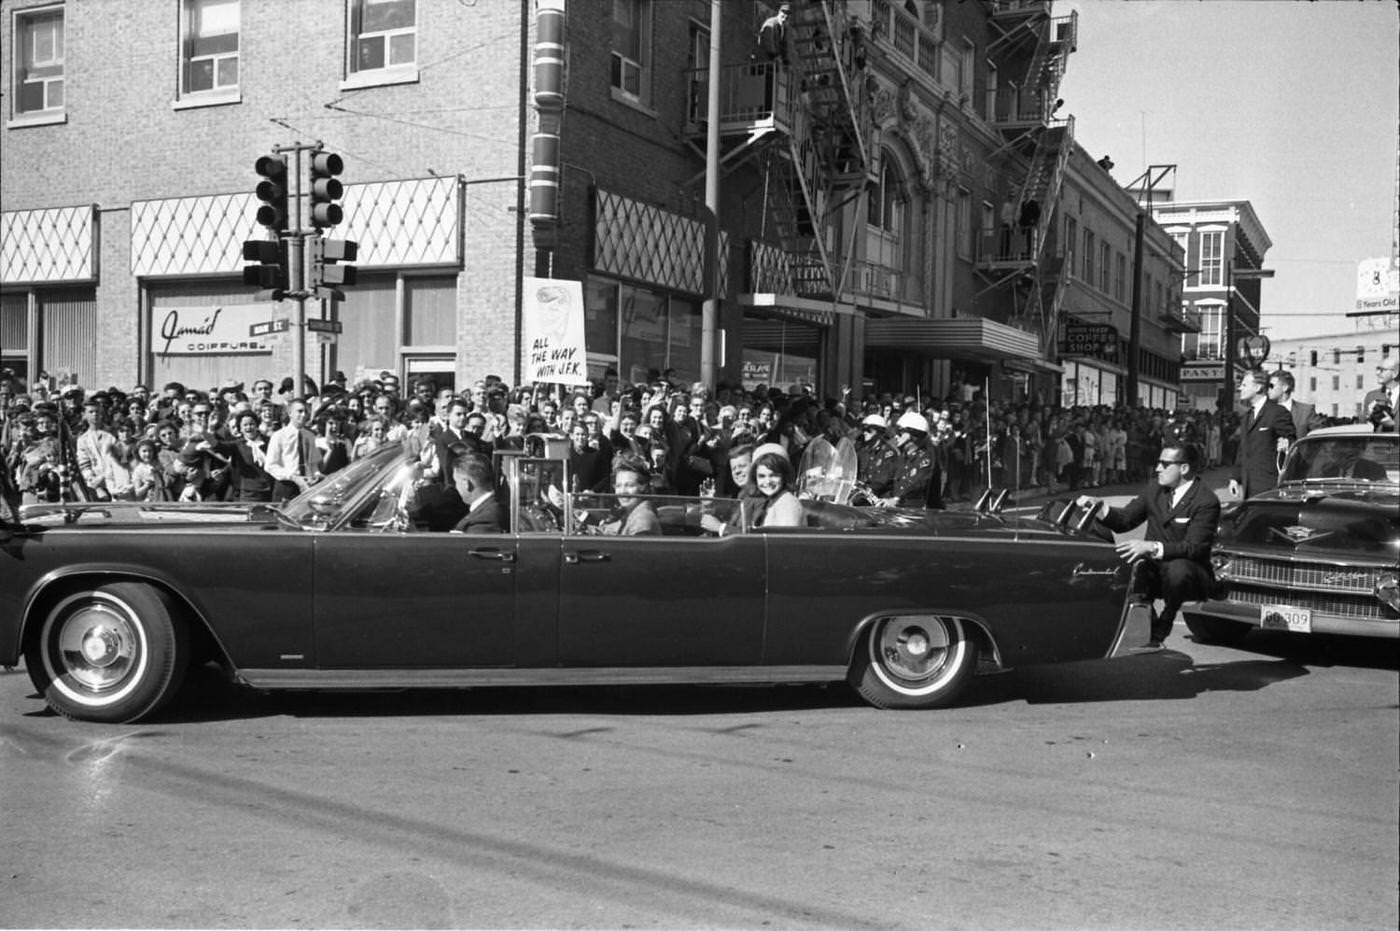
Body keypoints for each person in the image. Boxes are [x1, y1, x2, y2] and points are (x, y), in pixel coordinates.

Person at [1077, 442, 1220, 650]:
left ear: (1184, 468)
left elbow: (1195, 548)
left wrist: (1151, 547)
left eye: (1164, 463)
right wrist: (1100, 508)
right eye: (1158, 463)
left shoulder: (1206, 500)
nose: (1157, 468)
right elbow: (1125, 520)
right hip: (1154, 566)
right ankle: (1144, 625)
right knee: (1127, 564)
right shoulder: (1154, 489)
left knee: (1177, 570)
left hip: (1189, 571)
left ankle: (1167, 618)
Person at [1229, 369, 1295, 500]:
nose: (1240, 388)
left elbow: (1292, 444)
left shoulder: (1277, 412)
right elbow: (1242, 451)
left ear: (1258, 387)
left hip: (1270, 487)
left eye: (1244, 385)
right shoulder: (1246, 417)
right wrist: (1235, 478)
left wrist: (1287, 444)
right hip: (1249, 487)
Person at [264, 399, 322, 503]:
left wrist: (316, 476)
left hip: (307, 486)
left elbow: (313, 463)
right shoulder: (279, 436)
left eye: (306, 412)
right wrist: (293, 477)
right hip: (286, 486)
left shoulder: (310, 436)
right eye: (299, 411)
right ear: (290, 413)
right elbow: (270, 466)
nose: (304, 415)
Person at [600, 457, 661, 536]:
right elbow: (612, 529)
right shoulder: (630, 512)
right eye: (618, 486)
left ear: (643, 487)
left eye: (629, 485)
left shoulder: (642, 520)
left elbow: (629, 547)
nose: (622, 491)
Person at [747, 450, 803, 528]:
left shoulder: (788, 503)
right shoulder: (769, 501)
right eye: (762, 476)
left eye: (773, 475)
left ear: (784, 477)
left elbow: (787, 538)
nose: (768, 481)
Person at [449, 455, 505, 534]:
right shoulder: (489, 509)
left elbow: (469, 545)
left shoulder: (485, 518)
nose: (456, 487)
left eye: (456, 482)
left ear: (466, 483)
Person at [1267, 369, 1322, 440]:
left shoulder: (1306, 411)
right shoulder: (1265, 412)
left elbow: (1320, 438)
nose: (1268, 390)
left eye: (1271, 386)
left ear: (1285, 388)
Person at [1361, 353, 1398, 432]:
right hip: (1376, 443)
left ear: (1395, 373)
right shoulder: (1371, 396)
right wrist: (1368, 416)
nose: (1377, 373)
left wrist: (1392, 426)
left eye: (1382, 370)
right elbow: (1363, 427)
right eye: (1377, 369)